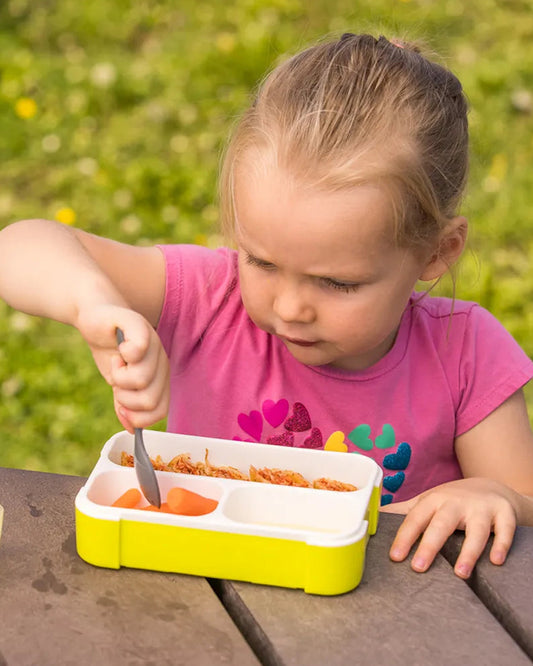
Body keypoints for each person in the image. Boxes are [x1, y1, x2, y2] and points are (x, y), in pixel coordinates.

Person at [1, 32, 533, 580]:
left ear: (437, 252)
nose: (290, 306)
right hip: (201, 602)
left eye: (336, 283)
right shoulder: (211, 298)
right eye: (261, 262)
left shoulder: (466, 352)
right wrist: (93, 304)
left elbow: (522, 502)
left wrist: (495, 498)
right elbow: (19, 246)